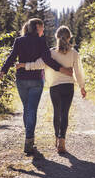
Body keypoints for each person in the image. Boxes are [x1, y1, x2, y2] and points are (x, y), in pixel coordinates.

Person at [0, 18, 72, 154]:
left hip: (21, 80)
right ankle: (29, 140)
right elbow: (47, 59)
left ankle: (29, 138)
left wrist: (0, 76)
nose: (43, 31)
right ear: (37, 27)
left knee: (27, 109)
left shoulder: (19, 40)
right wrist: (62, 69)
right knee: (31, 110)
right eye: (42, 28)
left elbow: (11, 58)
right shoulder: (41, 41)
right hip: (36, 80)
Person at [16, 25, 86, 153]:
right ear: (69, 37)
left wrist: (24, 65)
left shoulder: (50, 53)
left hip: (54, 88)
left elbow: (38, 64)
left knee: (57, 113)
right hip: (68, 87)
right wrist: (82, 86)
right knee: (65, 114)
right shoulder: (74, 53)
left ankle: (56, 139)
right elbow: (78, 72)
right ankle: (62, 141)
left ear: (56, 37)